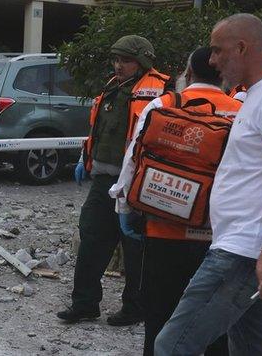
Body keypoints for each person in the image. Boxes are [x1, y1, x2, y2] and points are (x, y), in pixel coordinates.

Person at [155, 14, 262, 355]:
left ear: (241, 47)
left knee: (172, 346)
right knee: (252, 350)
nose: (211, 61)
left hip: (243, 253)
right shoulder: (256, 94)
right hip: (245, 250)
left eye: (217, 51)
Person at [110, 47, 240, 355]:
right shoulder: (238, 110)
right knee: (213, 324)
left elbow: (133, 159)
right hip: (217, 238)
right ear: (223, 76)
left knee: (160, 316)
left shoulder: (161, 105)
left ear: (188, 73)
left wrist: (124, 208)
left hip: (162, 231)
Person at [58, 35, 170, 326]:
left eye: (126, 60)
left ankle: (135, 308)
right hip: (104, 179)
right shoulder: (113, 86)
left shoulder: (161, 92)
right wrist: (86, 158)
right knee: (92, 237)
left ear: (143, 61)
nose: (119, 65)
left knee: (135, 248)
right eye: (116, 59)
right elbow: (100, 129)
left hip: (135, 183)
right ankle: (84, 304)